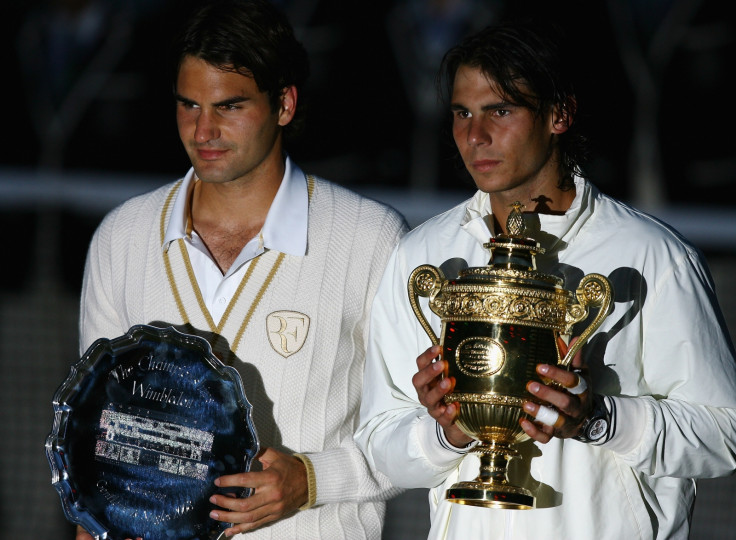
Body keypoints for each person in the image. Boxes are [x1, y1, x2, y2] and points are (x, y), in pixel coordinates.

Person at [355, 20, 736, 540]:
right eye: (462, 113)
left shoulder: (654, 256)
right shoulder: (422, 255)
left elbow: (725, 433)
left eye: (501, 111)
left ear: (560, 114)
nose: (475, 136)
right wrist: (446, 433)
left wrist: (599, 419)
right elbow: (380, 445)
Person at [75, 0, 407, 538]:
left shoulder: (371, 238)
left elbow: (423, 431)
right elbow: (101, 435)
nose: (203, 129)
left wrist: (313, 480)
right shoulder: (123, 236)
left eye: (228, 106)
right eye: (188, 105)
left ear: (284, 104)